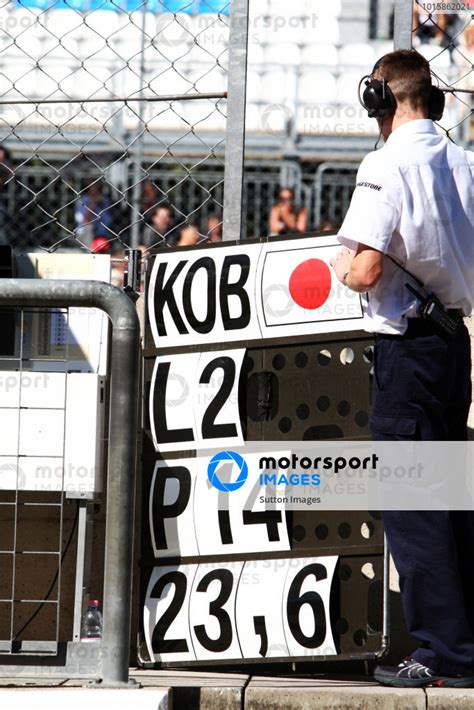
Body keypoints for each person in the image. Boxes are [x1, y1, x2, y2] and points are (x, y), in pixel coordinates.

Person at [330, 50, 474, 687]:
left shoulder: (385, 164)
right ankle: (464, 646)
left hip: (408, 348)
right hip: (452, 344)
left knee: (415, 504)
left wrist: (343, 268)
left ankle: (442, 655)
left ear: (381, 99)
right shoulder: (466, 162)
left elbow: (363, 270)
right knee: (452, 500)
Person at [75, 181, 113, 248]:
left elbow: (108, 220)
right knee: (88, 227)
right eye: (95, 189)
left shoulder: (104, 201)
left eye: (99, 189)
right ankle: (89, 252)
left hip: (102, 233)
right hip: (86, 233)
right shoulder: (83, 201)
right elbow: (86, 220)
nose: (98, 192)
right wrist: (92, 203)